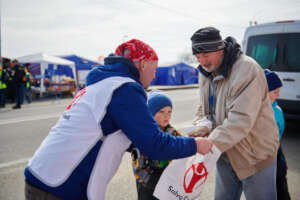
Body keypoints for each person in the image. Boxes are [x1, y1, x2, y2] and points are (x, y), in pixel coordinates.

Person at [24, 39, 212, 200]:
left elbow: (124, 136)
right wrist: (194, 145)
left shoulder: (103, 84)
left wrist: (177, 136)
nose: (155, 75)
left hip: (43, 175)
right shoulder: (125, 88)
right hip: (60, 186)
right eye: (154, 69)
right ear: (143, 64)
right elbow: (153, 144)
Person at [190, 27, 279, 200]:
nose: (202, 62)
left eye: (206, 56)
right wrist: (199, 125)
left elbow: (241, 119)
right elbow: (204, 106)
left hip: (254, 155)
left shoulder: (247, 69)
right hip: (224, 152)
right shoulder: (205, 71)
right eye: (197, 57)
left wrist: (209, 143)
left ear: (220, 50)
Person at [132, 90, 179, 200]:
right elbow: (139, 165)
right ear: (150, 113)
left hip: (167, 182)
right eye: (161, 112)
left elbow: (181, 148)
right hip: (147, 184)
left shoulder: (172, 132)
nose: (166, 116)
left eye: (169, 112)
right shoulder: (143, 134)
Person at [264, 69, 291, 200]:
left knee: (280, 190)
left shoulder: (275, 111)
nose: (278, 95)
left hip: (274, 155)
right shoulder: (264, 110)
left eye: (278, 92)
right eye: (275, 92)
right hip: (267, 158)